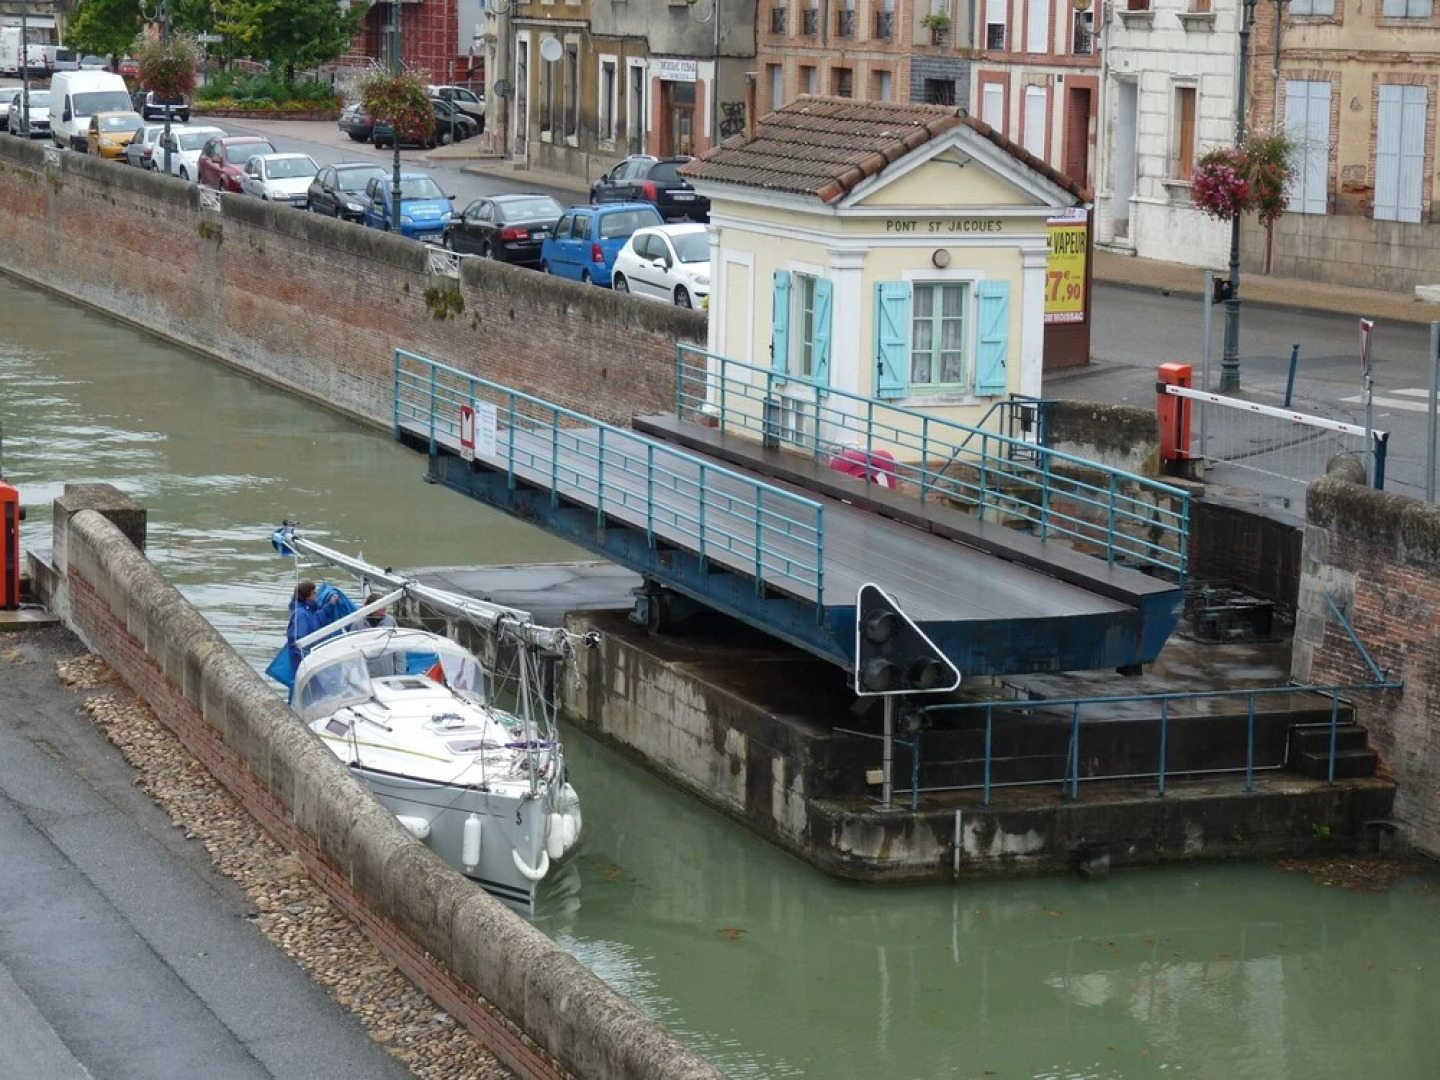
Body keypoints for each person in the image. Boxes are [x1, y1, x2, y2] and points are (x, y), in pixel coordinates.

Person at [285, 580, 342, 674]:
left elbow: (318, 617)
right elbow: (300, 640)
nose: (316, 594)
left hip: (312, 659)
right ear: (308, 596)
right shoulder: (300, 614)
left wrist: (330, 605)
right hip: (306, 664)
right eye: (314, 592)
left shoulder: (307, 610)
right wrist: (309, 660)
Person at [362, 593, 406, 677]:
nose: (384, 613)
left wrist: (400, 675)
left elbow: (400, 650)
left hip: (386, 674)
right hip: (366, 676)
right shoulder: (358, 624)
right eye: (381, 610)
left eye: (385, 609)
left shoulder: (390, 622)